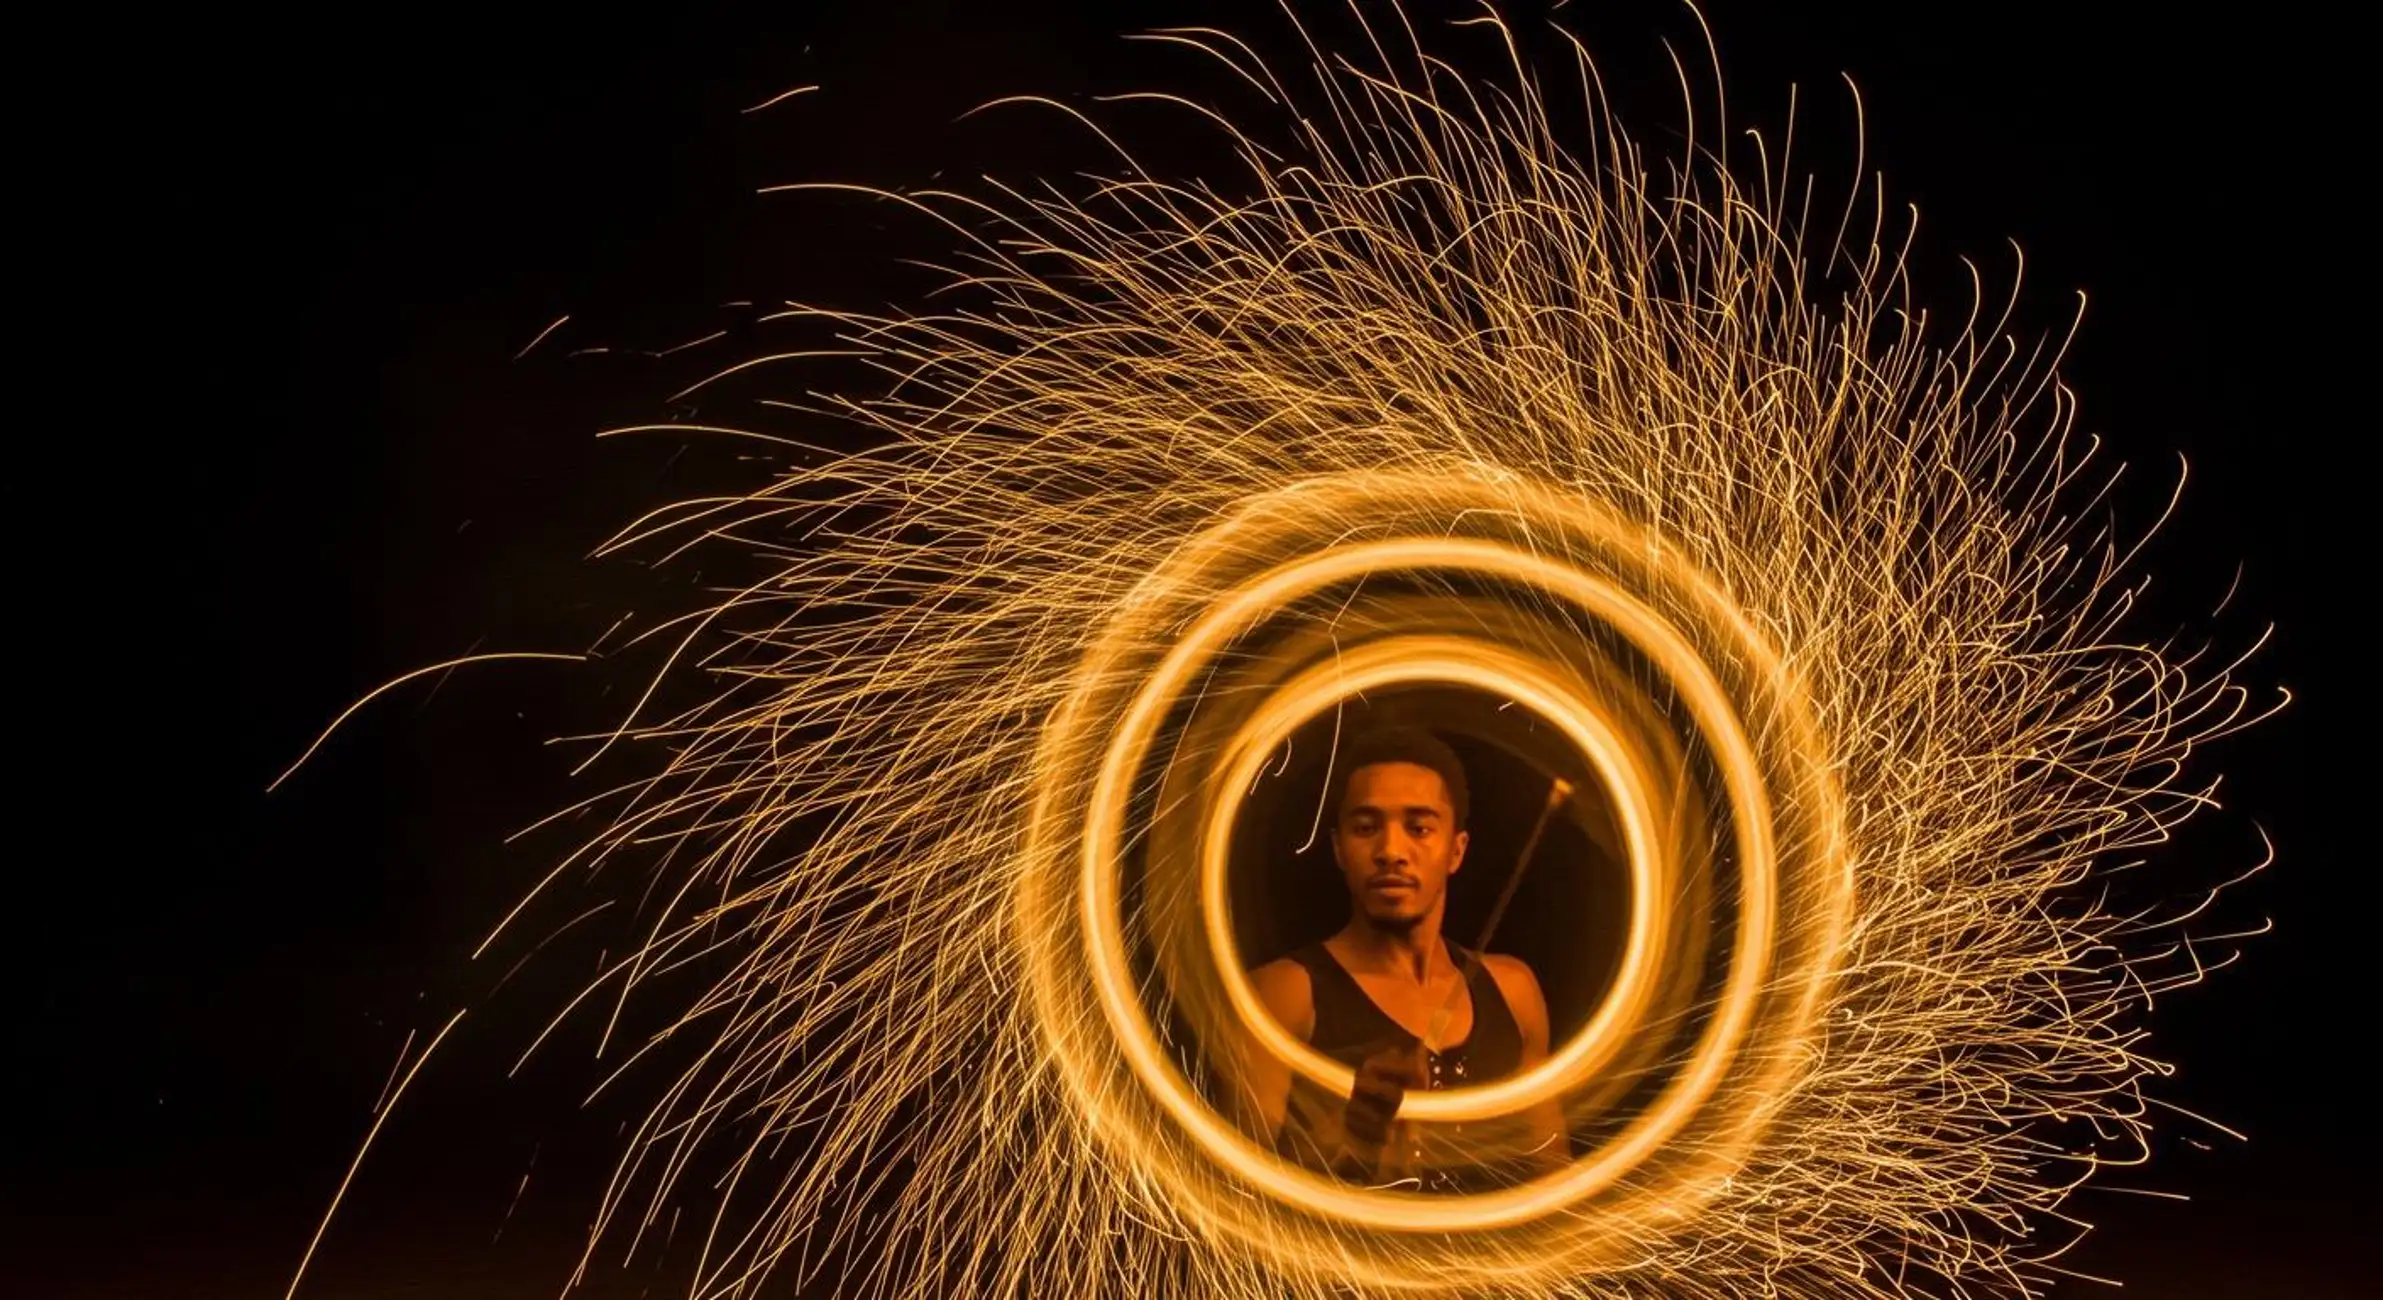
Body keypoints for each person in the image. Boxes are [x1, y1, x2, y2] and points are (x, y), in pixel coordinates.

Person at [1224, 727, 1567, 1190]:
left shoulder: (1513, 989)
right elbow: (1236, 1202)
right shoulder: (1285, 995)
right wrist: (1350, 1141)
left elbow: (1553, 1180)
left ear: (1456, 850)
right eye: (1366, 828)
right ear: (1339, 849)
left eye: (1419, 827)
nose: (1390, 852)